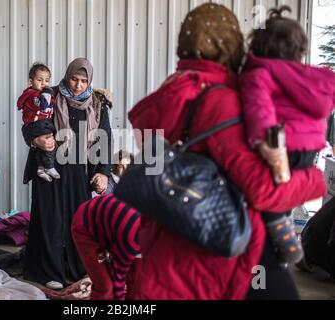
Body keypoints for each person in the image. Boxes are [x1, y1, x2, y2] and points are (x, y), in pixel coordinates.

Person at [127, 3, 327, 300]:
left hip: (166, 247)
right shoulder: (221, 102)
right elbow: (262, 190)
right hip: (216, 255)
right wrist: (315, 180)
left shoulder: (169, 95)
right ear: (230, 45)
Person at [240, 6, 335, 264]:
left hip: (282, 145)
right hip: (310, 149)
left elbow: (259, 110)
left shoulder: (259, 73)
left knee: (267, 193)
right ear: (298, 51)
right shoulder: (311, 77)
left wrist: (263, 142)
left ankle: (281, 235)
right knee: (287, 191)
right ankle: (283, 231)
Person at [22, 58, 113, 290]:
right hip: (49, 169)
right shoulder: (49, 94)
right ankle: (49, 270)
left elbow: (104, 139)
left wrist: (102, 172)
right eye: (74, 79)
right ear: (67, 75)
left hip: (79, 173)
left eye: (84, 81)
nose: (78, 85)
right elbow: (29, 124)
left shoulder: (98, 103)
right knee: (50, 221)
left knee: (78, 221)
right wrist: (35, 139)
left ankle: (76, 268)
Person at [72, 194, 141, 300]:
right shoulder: (132, 234)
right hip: (86, 226)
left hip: (114, 226)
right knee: (105, 286)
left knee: (137, 283)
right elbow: (118, 276)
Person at [17, 63, 60, 182]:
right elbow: (42, 105)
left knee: (43, 148)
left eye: (47, 80)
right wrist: (47, 94)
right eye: (39, 80)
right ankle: (49, 166)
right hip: (37, 124)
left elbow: (51, 104)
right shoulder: (33, 95)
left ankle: (41, 168)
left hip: (41, 123)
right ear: (31, 81)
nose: (44, 84)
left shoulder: (42, 93)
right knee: (50, 144)